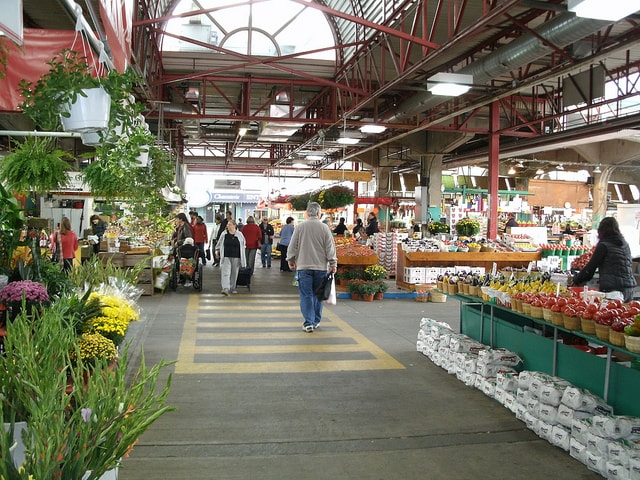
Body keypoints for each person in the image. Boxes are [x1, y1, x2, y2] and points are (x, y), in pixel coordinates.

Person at [286, 202, 338, 333]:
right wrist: (333, 263)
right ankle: (316, 320)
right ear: (319, 213)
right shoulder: (324, 228)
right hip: (321, 268)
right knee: (318, 295)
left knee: (306, 295)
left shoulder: (300, 227)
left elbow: (292, 246)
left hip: (303, 267)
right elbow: (330, 248)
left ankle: (308, 322)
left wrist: (291, 260)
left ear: (307, 213)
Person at [570, 217, 637, 303]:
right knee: (624, 314)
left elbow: (589, 269)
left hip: (613, 291)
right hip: (629, 289)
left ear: (601, 230)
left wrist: (576, 279)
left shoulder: (603, 246)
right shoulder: (625, 244)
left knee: (609, 315)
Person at [215, 220, 247, 295]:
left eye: (230, 225)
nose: (228, 226)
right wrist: (217, 252)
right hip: (226, 255)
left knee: (234, 273)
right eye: (228, 225)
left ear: (234, 225)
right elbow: (219, 244)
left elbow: (243, 244)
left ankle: (233, 287)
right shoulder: (224, 234)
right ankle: (225, 288)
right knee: (225, 272)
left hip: (236, 256)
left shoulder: (239, 234)